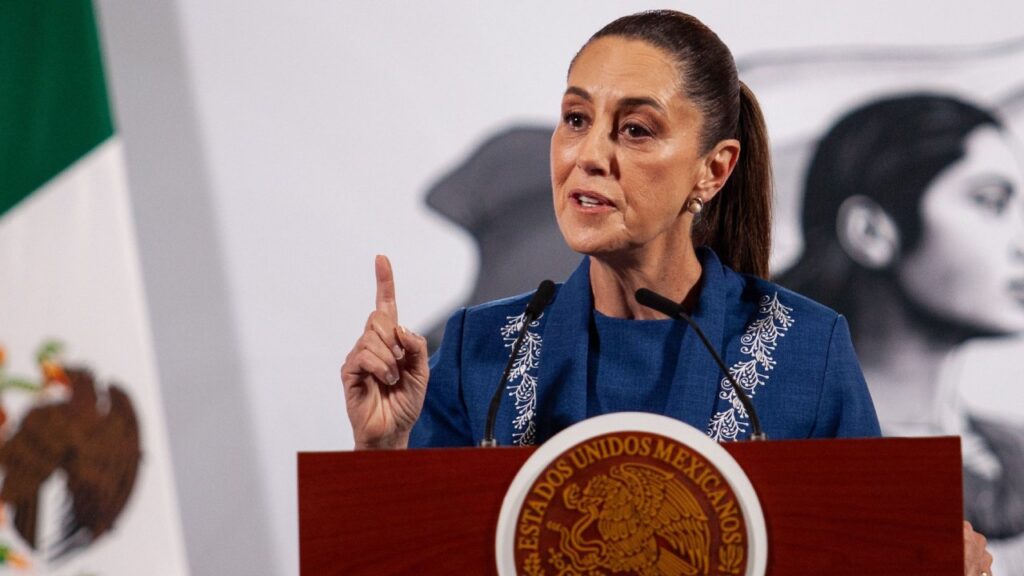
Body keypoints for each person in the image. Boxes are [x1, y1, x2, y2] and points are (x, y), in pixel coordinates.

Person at [340, 11, 994, 575]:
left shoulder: (806, 346)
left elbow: (868, 558)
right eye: (575, 119)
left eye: (635, 129)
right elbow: (414, 561)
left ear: (714, 168)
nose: (587, 155)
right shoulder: (481, 348)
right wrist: (381, 453)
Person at [778, 93, 1024, 575]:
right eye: (990, 202)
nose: (1020, 240)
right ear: (871, 231)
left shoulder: (1011, 448)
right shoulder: (788, 452)